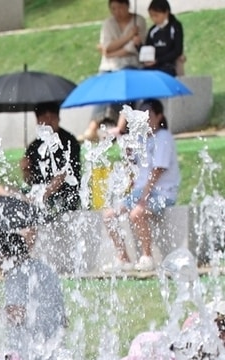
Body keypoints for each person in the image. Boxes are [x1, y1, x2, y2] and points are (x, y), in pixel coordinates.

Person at [102, 99, 179, 272]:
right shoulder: (141, 138)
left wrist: (142, 200)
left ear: (159, 117)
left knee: (137, 214)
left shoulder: (163, 137)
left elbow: (157, 172)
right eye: (142, 115)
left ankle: (147, 256)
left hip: (161, 193)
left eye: (149, 115)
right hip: (140, 192)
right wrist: (128, 156)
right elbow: (135, 170)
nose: (145, 119)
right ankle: (123, 258)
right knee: (108, 216)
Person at [0, 230, 67, 360]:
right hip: (53, 355)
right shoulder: (44, 269)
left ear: (5, 256)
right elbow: (63, 319)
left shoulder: (16, 275)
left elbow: (17, 316)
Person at [83, 0, 147, 142]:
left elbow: (132, 48)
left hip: (130, 63)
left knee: (124, 80)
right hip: (109, 65)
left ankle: (119, 125)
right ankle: (93, 126)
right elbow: (107, 46)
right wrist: (128, 36)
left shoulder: (139, 21)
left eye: (120, 8)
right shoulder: (108, 24)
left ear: (127, 6)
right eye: (113, 8)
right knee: (102, 84)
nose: (117, 12)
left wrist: (111, 51)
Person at [19, 104, 82, 217]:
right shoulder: (34, 146)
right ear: (38, 121)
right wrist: (25, 170)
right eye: (44, 118)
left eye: (52, 117)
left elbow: (63, 174)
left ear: (58, 118)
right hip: (40, 193)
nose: (49, 121)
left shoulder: (69, 141)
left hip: (64, 194)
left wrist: (43, 195)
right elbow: (30, 181)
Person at [143, 0, 184, 75]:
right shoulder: (152, 30)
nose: (153, 19)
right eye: (151, 16)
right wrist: (138, 45)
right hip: (153, 65)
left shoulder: (175, 27)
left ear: (166, 13)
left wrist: (158, 60)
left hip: (169, 65)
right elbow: (148, 47)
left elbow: (177, 50)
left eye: (156, 15)